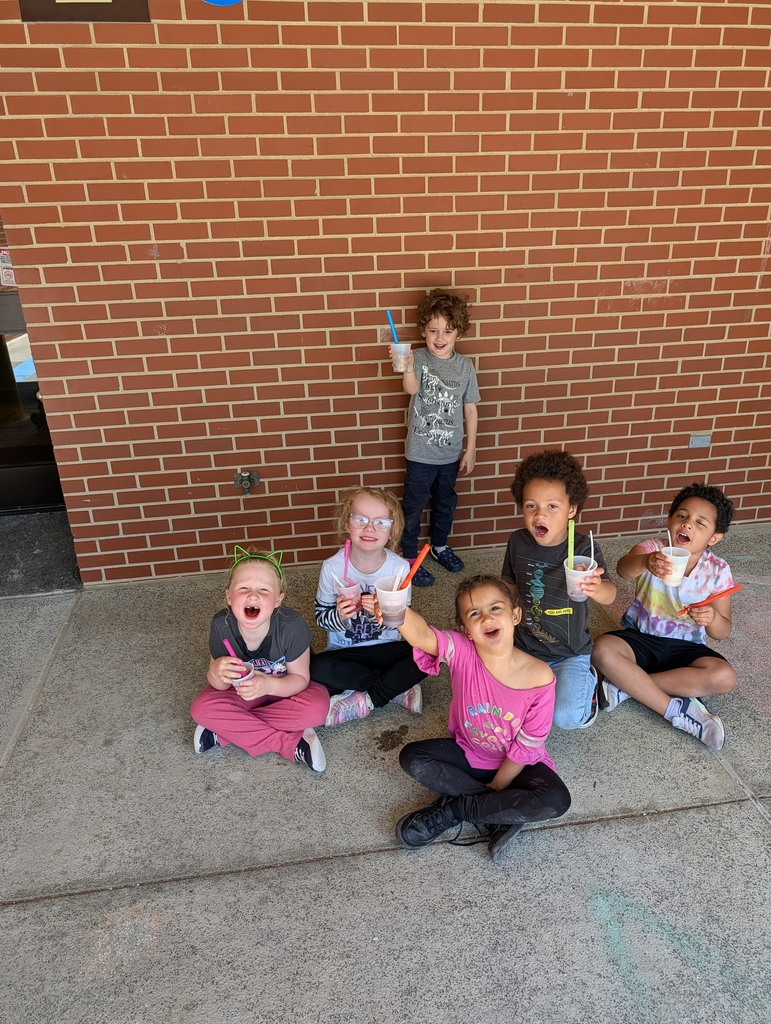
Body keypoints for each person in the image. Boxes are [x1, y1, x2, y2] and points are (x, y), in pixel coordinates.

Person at [380, 575, 570, 863]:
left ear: (515, 615)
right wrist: (397, 612)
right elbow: (423, 636)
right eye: (474, 614)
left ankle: (455, 810)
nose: (486, 618)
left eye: (495, 608)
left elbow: (528, 745)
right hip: (469, 753)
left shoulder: (540, 676)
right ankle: (498, 812)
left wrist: (499, 785)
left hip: (519, 766)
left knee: (556, 800)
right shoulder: (461, 651)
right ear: (465, 630)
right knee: (412, 758)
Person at [591, 483, 736, 751]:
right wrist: (646, 563)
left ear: (715, 537)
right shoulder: (651, 549)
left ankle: (628, 686)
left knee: (724, 677)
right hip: (640, 638)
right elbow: (623, 569)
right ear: (670, 520)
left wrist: (711, 617)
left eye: (700, 523)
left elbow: (722, 630)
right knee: (600, 649)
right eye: (682, 516)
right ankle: (674, 710)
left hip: (687, 647)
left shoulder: (717, 571)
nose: (687, 524)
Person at [501, 449, 617, 730]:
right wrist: (503, 606)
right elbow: (507, 584)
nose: (540, 514)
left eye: (552, 506)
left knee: (565, 717)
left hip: (569, 651)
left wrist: (595, 587)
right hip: (524, 647)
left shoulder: (582, 548)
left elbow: (611, 595)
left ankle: (588, 682)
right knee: (503, 712)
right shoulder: (518, 542)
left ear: (572, 510)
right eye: (531, 506)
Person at [191, 548, 330, 772]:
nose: (252, 595)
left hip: (286, 692)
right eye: (243, 588)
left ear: (278, 600)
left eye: (263, 590)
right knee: (201, 709)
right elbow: (219, 685)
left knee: (316, 709)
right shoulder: (221, 625)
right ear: (229, 596)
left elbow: (300, 679)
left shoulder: (291, 626)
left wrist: (268, 685)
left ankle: (224, 732)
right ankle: (290, 744)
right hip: (242, 695)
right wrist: (216, 670)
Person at [311, 487, 426, 727]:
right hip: (344, 652)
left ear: (391, 530)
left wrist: (383, 613)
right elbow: (321, 618)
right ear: (347, 523)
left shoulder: (399, 569)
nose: (370, 528)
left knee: (430, 651)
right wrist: (340, 615)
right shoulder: (332, 568)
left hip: (386, 649)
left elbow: (405, 623)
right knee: (313, 668)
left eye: (381, 522)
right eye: (360, 519)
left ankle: (370, 696)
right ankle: (394, 687)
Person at [394, 288, 480, 587]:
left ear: (459, 333)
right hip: (420, 452)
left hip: (451, 453)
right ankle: (408, 556)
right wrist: (404, 365)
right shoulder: (416, 357)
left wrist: (469, 449)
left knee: (445, 502)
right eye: (433, 330)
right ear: (423, 331)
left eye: (448, 331)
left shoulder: (465, 366)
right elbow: (411, 389)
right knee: (414, 506)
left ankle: (440, 546)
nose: (440, 337)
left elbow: (470, 410)